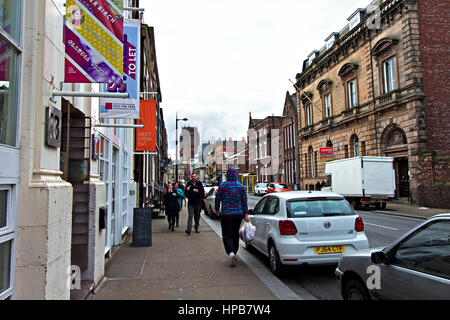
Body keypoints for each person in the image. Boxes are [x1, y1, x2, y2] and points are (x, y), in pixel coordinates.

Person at [215, 167, 249, 267]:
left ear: (228, 175)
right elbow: (244, 201)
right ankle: (235, 251)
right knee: (235, 234)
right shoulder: (241, 187)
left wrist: (217, 209)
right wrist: (245, 213)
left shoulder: (223, 186)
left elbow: (217, 198)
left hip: (226, 214)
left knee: (226, 234)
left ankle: (230, 253)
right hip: (238, 214)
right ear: (235, 175)